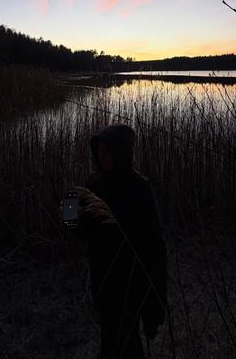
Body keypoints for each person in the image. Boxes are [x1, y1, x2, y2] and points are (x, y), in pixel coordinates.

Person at [74, 123, 167, 359]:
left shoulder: (140, 188)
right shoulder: (94, 182)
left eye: (109, 150)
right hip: (101, 277)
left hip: (129, 283)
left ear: (123, 153)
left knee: (127, 342)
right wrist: (68, 213)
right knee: (109, 336)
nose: (102, 155)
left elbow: (155, 248)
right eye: (100, 149)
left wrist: (154, 306)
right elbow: (80, 231)